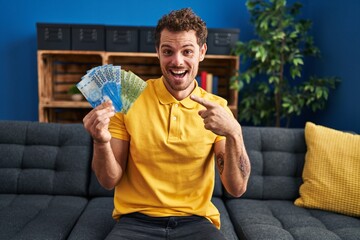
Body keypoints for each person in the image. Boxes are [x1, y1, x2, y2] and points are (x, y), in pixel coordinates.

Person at [83, 7, 251, 240]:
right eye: (168, 51)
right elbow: (108, 180)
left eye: (187, 51)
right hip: (136, 220)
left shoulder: (217, 108)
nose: (177, 61)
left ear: (202, 52)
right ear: (158, 52)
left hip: (196, 221)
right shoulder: (129, 99)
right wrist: (100, 141)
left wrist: (234, 132)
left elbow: (237, 188)